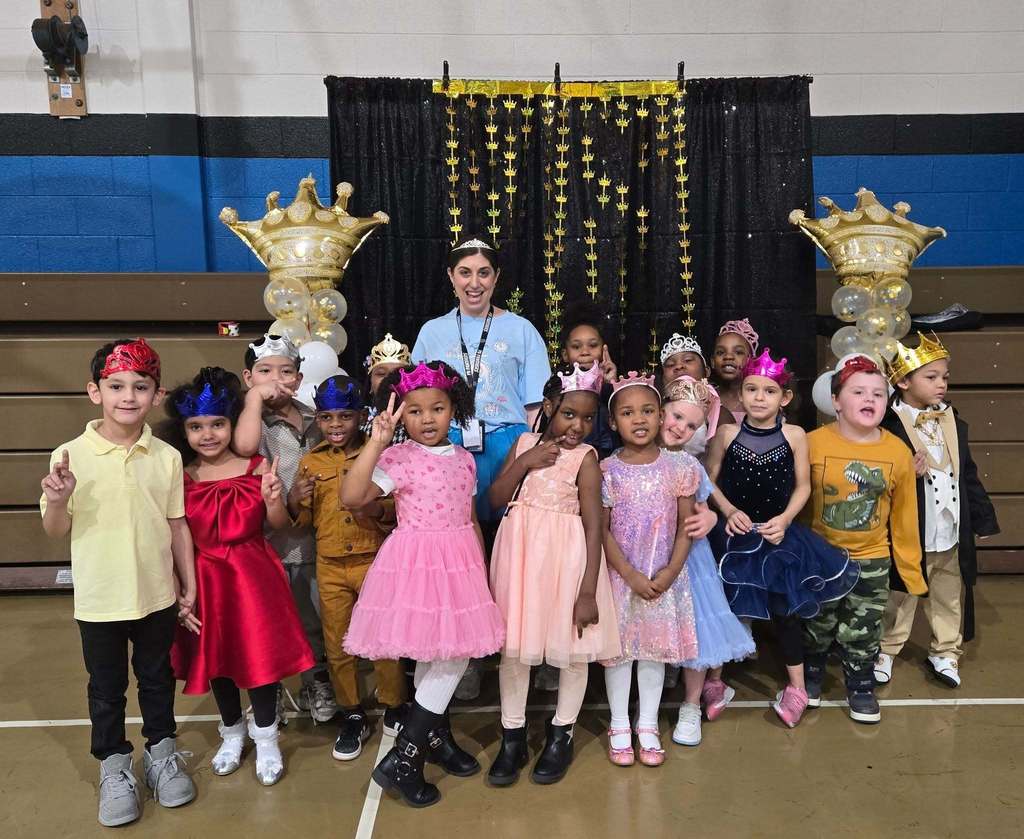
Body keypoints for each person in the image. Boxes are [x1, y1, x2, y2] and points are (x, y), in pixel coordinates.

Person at [40, 338, 196, 827]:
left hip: (156, 595)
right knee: (106, 689)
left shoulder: (166, 456)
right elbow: (54, 529)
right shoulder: (68, 455)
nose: (128, 396)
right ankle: (113, 765)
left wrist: (186, 585)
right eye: (116, 386)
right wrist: (61, 500)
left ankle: (162, 754)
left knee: (156, 680)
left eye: (140, 386)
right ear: (95, 391)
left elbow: (176, 525)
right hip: (99, 600)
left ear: (156, 393)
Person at [340, 361, 505, 808]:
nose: (426, 419)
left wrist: (482, 573)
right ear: (401, 415)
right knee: (447, 659)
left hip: (459, 565)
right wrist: (375, 444)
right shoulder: (397, 458)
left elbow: (469, 519)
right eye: (414, 411)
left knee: (443, 656)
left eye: (437, 408)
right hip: (417, 565)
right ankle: (404, 758)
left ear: (456, 409)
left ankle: (436, 740)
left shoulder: (466, 459)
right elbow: (352, 498)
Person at [412, 235, 550, 700]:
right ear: (451, 278)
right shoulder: (432, 331)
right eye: (465, 273)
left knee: (514, 550)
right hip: (451, 449)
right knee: (461, 555)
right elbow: (419, 400)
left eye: (484, 273)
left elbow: (535, 403)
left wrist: (520, 449)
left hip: (508, 445)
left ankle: (524, 648)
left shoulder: (523, 329)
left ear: (496, 279)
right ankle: (464, 655)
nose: (475, 283)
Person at [163, 368, 314, 786]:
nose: (207, 434)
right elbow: (177, 535)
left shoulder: (256, 465)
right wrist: (182, 590)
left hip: (252, 578)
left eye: (217, 424)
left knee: (258, 660)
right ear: (185, 430)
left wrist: (272, 499)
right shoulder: (183, 475)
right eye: (196, 427)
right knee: (218, 662)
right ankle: (232, 732)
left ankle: (266, 737)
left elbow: (279, 525)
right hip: (206, 580)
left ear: (232, 424)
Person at [706, 350, 860, 728]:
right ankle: (713, 680)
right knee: (727, 608)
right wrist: (728, 511)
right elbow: (707, 480)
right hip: (734, 536)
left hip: (778, 537)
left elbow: (803, 486)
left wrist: (785, 519)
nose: (759, 397)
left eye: (769, 391)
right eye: (751, 389)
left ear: (785, 398)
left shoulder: (794, 436)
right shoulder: (726, 433)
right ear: (740, 395)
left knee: (785, 613)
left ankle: (796, 688)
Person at [486, 364, 621, 786]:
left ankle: (561, 733)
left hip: (567, 563)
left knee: (573, 650)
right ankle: (512, 736)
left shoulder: (586, 459)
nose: (577, 426)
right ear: (549, 407)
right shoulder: (525, 443)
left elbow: (595, 526)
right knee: (514, 649)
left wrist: (587, 590)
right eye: (569, 415)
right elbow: (494, 499)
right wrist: (525, 460)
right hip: (520, 560)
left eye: (587, 418)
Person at [803, 356, 926, 724]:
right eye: (858, 391)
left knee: (864, 628)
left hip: (871, 559)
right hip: (820, 557)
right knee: (816, 623)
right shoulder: (810, 443)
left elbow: (904, 517)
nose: (869, 399)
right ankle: (810, 676)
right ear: (836, 400)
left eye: (878, 393)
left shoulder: (897, 453)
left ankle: (859, 683)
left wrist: (910, 569)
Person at [289, 375, 406, 761]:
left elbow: (393, 511)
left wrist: (373, 507)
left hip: (374, 559)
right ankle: (352, 712)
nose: (336, 425)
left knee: (383, 640)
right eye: (326, 417)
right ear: (317, 420)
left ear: (361, 417)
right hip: (331, 565)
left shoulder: (379, 456)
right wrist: (294, 498)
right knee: (338, 642)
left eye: (344, 416)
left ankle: (393, 704)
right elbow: (302, 522)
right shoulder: (310, 462)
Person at [875, 334, 999, 689]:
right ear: (903, 381)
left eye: (944, 376)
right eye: (931, 377)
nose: (941, 384)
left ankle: (945, 651)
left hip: (949, 527)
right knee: (900, 593)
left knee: (948, 592)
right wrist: (901, 470)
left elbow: (967, 472)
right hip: (911, 527)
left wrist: (982, 516)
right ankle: (886, 649)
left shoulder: (951, 420)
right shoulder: (888, 423)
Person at [233, 334, 334, 723]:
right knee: (269, 620)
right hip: (269, 542)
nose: (276, 378)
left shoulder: (315, 417)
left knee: (313, 616)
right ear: (248, 376)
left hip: (312, 538)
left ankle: (315, 681)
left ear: (299, 376)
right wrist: (255, 400)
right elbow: (244, 450)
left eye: (286, 371)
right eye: (264, 371)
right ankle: (267, 689)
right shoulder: (249, 420)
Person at [601, 372, 700, 767]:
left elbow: (686, 527)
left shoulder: (680, 466)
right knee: (620, 653)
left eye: (647, 411)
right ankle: (619, 723)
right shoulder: (607, 469)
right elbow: (602, 531)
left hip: (664, 576)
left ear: (661, 416)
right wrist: (630, 574)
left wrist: (670, 573)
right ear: (613, 423)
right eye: (627, 413)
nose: (638, 419)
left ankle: (647, 723)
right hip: (622, 576)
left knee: (653, 652)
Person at [660, 377, 755, 745]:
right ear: (662, 410)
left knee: (695, 631)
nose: (680, 429)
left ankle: (690, 705)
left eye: (691, 425)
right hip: (647, 554)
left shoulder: (689, 464)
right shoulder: (631, 454)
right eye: (677, 417)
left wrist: (713, 517)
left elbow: (707, 504)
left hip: (689, 561)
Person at [660, 333, 734, 458]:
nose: (679, 366)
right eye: (670, 365)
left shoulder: (720, 414)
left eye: (688, 360)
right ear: (663, 378)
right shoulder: (657, 411)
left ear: (707, 371)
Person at [362, 332, 412, 445]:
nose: (389, 379)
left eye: (398, 373)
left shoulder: (423, 421)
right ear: (370, 384)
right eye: (381, 373)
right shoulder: (359, 421)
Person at [712, 318, 759, 423]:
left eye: (738, 352)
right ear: (712, 362)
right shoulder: (707, 397)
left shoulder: (759, 399)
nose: (728, 356)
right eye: (720, 352)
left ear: (750, 360)